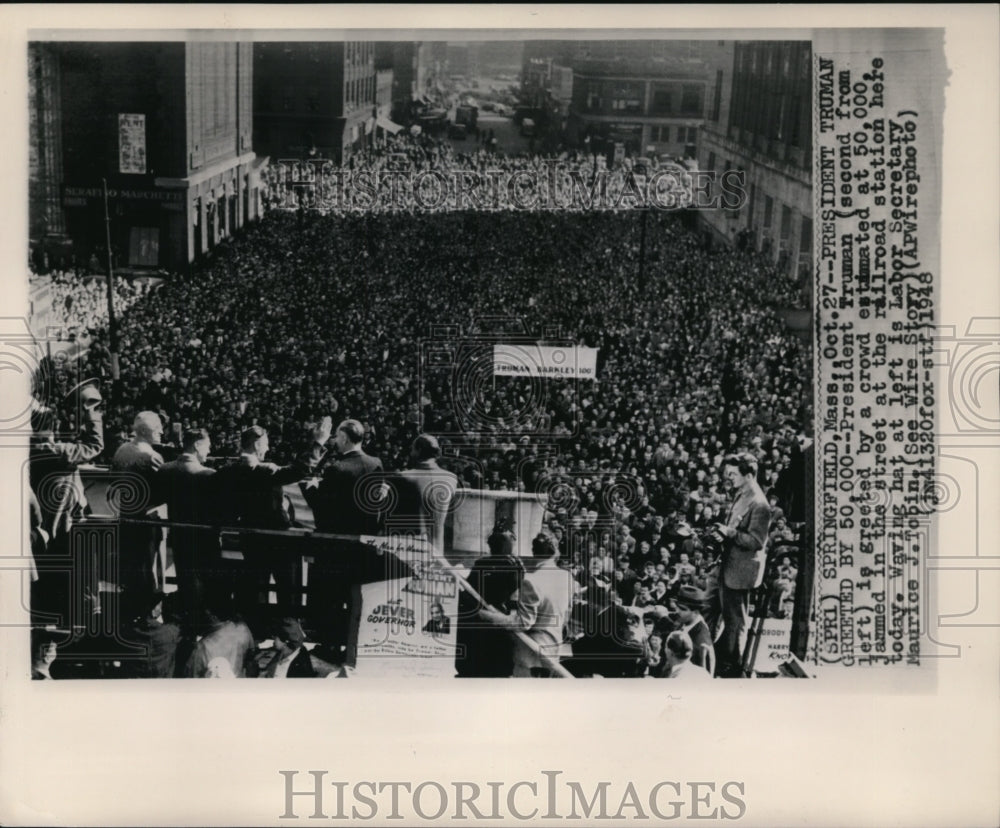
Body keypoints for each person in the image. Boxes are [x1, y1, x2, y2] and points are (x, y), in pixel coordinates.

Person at [215, 420, 330, 620]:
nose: (268, 447)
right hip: (278, 540)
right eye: (266, 443)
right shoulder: (264, 471)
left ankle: (255, 631)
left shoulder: (229, 471)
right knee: (288, 589)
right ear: (257, 444)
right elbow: (299, 469)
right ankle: (288, 631)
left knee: (255, 587)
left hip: (250, 538)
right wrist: (317, 443)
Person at [29, 380, 104, 622]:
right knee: (75, 577)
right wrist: (91, 411)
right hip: (66, 525)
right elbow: (95, 445)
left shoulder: (37, 448)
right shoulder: (55, 451)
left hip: (53, 521)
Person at [479, 533, 574, 677]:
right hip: (553, 649)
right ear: (555, 552)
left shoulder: (531, 581)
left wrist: (490, 616)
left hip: (531, 654)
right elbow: (567, 613)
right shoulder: (566, 577)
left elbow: (524, 623)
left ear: (534, 552)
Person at [713, 454, 772, 678]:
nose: (728, 478)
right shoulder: (743, 493)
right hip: (730, 567)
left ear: (748, 475)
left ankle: (734, 667)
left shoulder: (759, 504)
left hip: (740, 572)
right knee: (728, 619)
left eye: (733, 474)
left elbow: (756, 542)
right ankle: (725, 660)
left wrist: (730, 533)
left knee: (736, 623)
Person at [157, 429, 219, 617]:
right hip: (204, 538)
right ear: (197, 445)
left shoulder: (165, 470)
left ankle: (187, 622)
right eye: (207, 446)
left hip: (178, 535)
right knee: (203, 583)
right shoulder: (208, 475)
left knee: (185, 578)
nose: (209, 451)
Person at [111, 411, 167, 615]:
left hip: (125, 516)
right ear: (145, 431)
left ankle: (131, 613)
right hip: (146, 519)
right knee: (147, 569)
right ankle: (147, 614)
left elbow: (114, 481)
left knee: (130, 568)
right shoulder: (151, 456)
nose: (162, 431)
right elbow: (162, 491)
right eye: (158, 427)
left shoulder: (121, 450)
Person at [455, 522, 524, 678]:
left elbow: (471, 589)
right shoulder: (515, 564)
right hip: (499, 615)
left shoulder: (484, 563)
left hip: (484, 615)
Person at [304, 419, 384, 536]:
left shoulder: (336, 468)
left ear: (344, 438)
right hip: (368, 535)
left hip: (341, 536)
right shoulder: (376, 463)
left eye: (336, 436)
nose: (335, 440)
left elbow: (322, 507)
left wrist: (311, 487)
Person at [389, 434, 457, 554]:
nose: (410, 452)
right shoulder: (451, 478)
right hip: (438, 550)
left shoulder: (402, 477)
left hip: (412, 548)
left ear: (419, 450)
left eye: (412, 449)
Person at [673, 584, 715, 672]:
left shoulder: (700, 642)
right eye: (676, 606)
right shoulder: (686, 621)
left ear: (695, 612)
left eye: (682, 609)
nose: (676, 611)